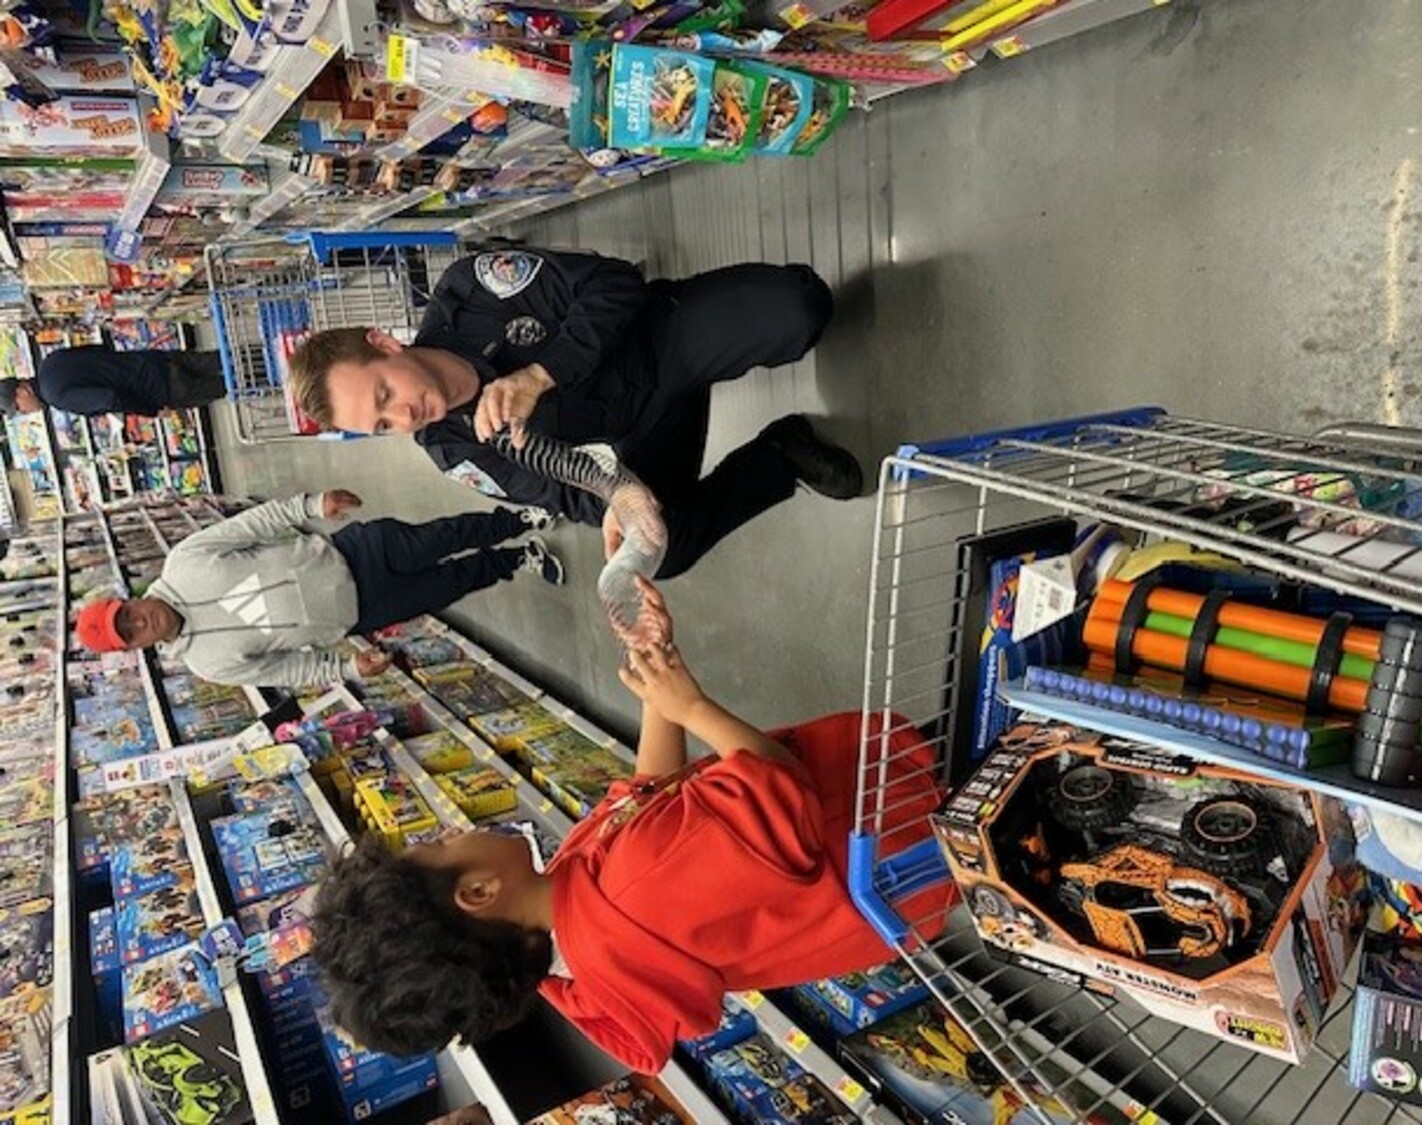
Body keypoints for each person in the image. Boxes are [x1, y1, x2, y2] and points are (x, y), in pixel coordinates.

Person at [311, 580, 951, 1071]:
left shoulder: (573, 944)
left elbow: (647, 799)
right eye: (441, 843)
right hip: (898, 815)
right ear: (478, 893)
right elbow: (780, 792)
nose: (452, 831)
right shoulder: (629, 889)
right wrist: (692, 705)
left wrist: (655, 686)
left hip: (891, 883)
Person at [286, 248, 865, 578]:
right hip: (636, 446)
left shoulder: (471, 293)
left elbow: (614, 283)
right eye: (383, 425)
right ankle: (779, 456)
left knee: (800, 309)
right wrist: (618, 504)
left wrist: (541, 373)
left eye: (385, 395)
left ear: (384, 344)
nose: (405, 416)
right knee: (656, 553)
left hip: (655, 346)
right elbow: (560, 494)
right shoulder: (455, 451)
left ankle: (743, 326)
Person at [74, 490, 563, 687]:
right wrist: (349, 667)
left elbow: (253, 524)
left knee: (442, 536)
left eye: (128, 614)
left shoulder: (184, 562)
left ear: (129, 598)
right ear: (137, 646)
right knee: (448, 585)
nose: (140, 622)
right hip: (360, 612)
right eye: (130, 633)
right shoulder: (209, 665)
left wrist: (310, 504)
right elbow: (291, 669)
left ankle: (517, 519)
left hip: (353, 553)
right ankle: (519, 558)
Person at [0, 344, 228, 420]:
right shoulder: (50, 360)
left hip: (164, 389)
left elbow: (110, 398)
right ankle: (264, 348)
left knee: (235, 383)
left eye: (18, 408)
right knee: (227, 357)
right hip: (154, 359)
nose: (24, 412)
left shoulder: (56, 396)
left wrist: (153, 411)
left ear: (21, 391)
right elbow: (100, 349)